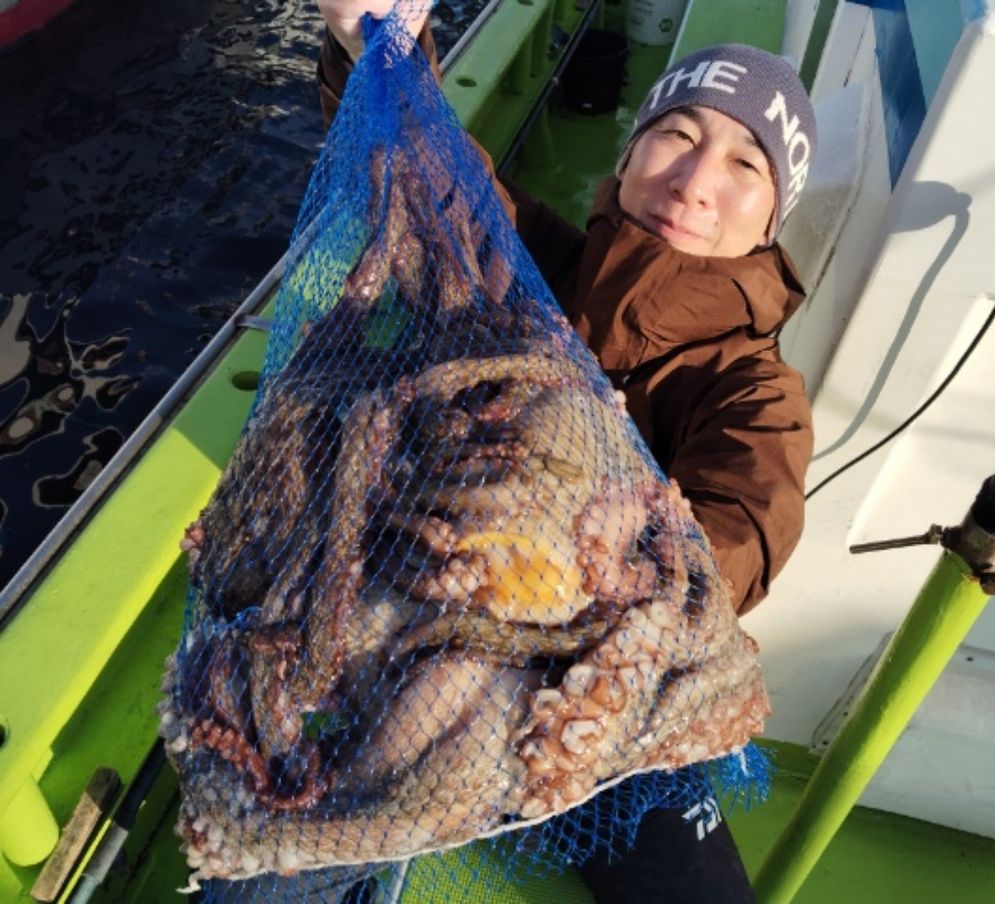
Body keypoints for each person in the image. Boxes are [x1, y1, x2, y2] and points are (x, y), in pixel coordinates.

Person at [206, 3, 816, 901]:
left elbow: (743, 526)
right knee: (302, 841)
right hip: (430, 617)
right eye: (675, 136)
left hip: (602, 668)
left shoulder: (753, 389)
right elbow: (427, 175)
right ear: (628, 152)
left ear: (772, 217)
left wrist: (612, 563)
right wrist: (373, 43)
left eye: (743, 165)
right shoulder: (529, 261)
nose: (693, 182)